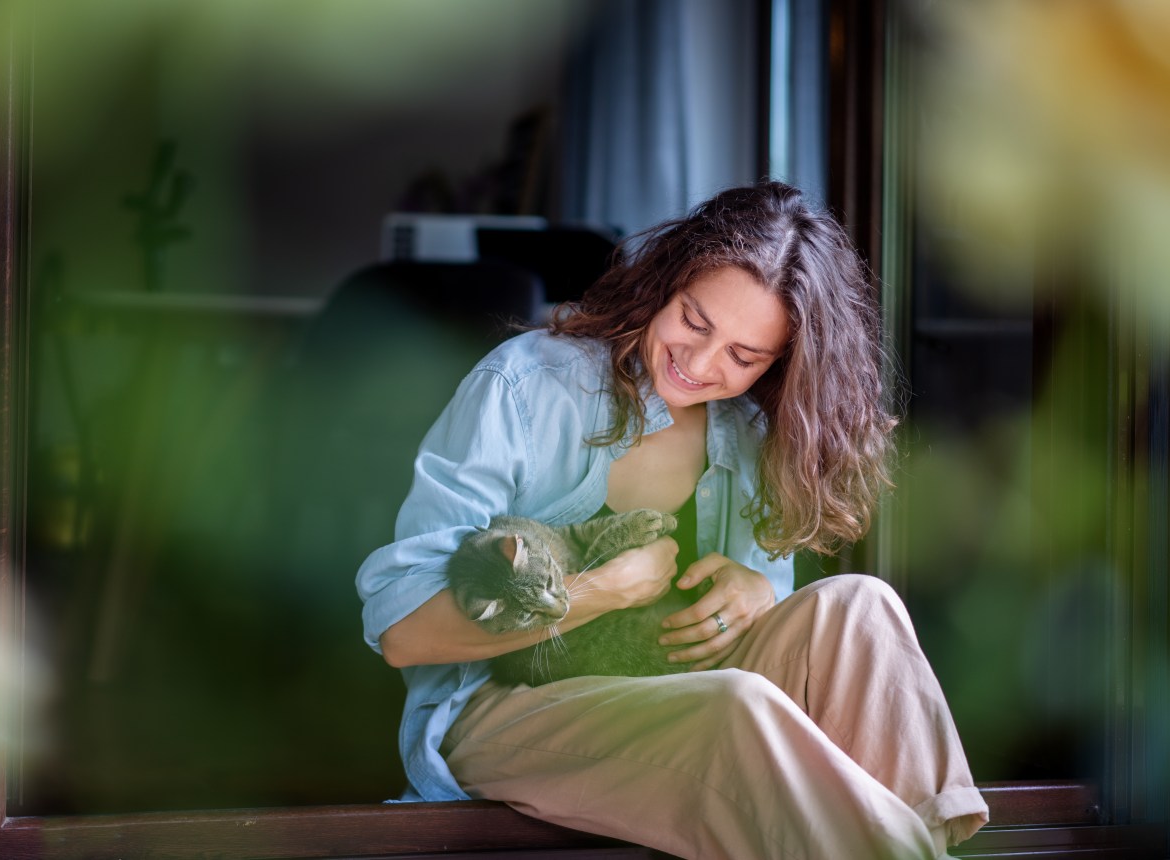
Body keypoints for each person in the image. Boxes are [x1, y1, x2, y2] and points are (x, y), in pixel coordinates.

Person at [356, 181, 989, 859]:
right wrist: (606, 589)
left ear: (782, 364)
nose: (700, 364)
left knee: (863, 606)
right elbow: (402, 630)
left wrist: (758, 593)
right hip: (507, 713)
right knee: (734, 706)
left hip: (682, 698)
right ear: (667, 282)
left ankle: (935, 848)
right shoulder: (524, 385)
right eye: (695, 321)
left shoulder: (752, 430)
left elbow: (766, 611)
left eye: (743, 357)